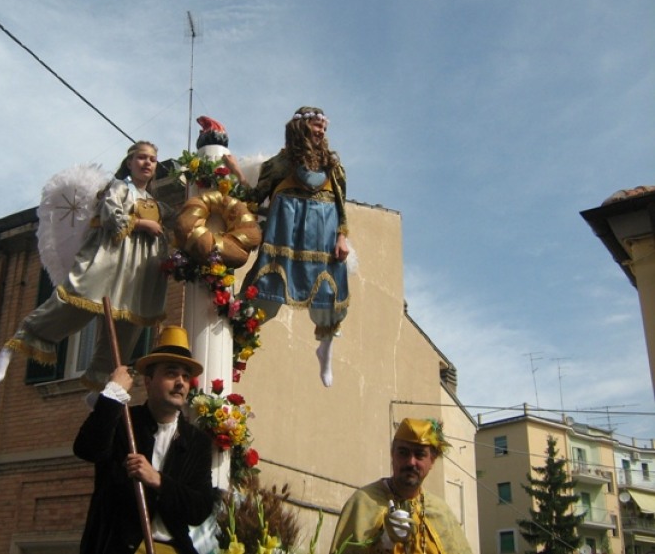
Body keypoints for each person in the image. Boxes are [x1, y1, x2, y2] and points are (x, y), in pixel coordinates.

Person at [0, 141, 174, 387]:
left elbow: (180, 223)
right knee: (73, 306)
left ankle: (100, 384)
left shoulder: (156, 204)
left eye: (152, 159)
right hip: (109, 261)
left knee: (127, 330)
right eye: (141, 158)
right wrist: (142, 225)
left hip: (136, 274)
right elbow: (111, 216)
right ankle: (16, 344)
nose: (147, 163)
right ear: (129, 162)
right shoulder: (118, 188)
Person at [228, 106, 349, 387]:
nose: (321, 131)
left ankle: (325, 351)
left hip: (323, 237)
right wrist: (236, 172)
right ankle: (237, 340)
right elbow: (255, 199)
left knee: (330, 294)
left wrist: (343, 236)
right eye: (316, 126)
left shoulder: (334, 167)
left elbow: (342, 208)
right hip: (285, 236)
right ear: (300, 127)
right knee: (266, 293)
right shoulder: (278, 164)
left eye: (324, 128)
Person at [74, 326, 216, 554]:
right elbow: (87, 448)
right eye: (171, 373)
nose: (180, 382)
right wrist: (112, 395)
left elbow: (199, 509)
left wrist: (158, 480)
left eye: (186, 376)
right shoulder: (124, 423)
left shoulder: (196, 441)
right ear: (149, 381)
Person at [330, 418, 473, 554]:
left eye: (419, 454)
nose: (411, 462)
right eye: (403, 453)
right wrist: (383, 542)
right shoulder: (362, 504)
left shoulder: (442, 512)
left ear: (432, 461)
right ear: (392, 454)